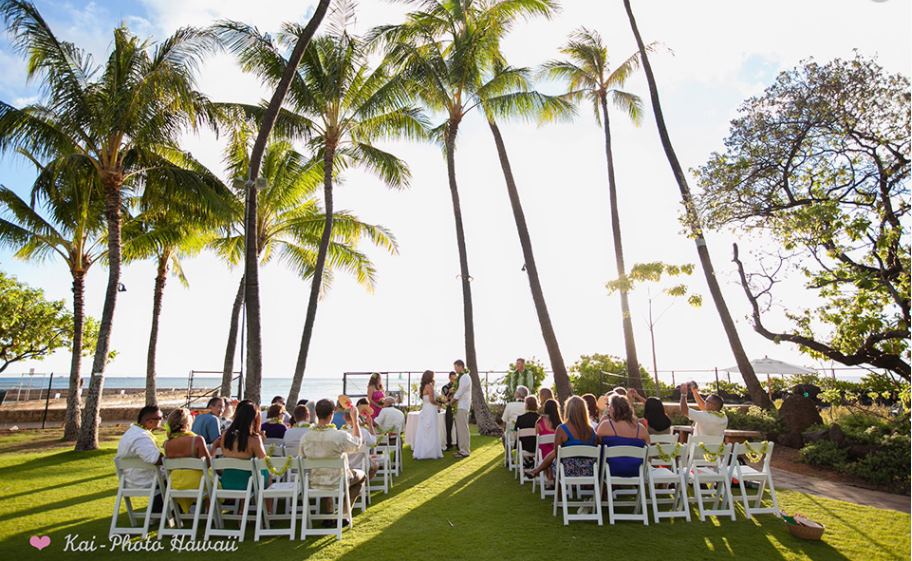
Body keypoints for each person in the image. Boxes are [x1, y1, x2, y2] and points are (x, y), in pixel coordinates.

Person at [298, 399, 366, 526]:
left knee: (324, 473)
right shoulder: (339, 435)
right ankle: (344, 514)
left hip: (314, 482)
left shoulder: (306, 437)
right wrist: (355, 421)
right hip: (337, 482)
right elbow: (357, 444)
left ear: (316, 414)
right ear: (331, 414)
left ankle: (329, 515)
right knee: (361, 476)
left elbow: (301, 458)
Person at [529, 396, 598, 480]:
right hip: (589, 472)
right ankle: (537, 470)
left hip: (567, 472)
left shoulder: (562, 429)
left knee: (556, 455)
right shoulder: (591, 431)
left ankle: (540, 473)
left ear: (568, 410)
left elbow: (557, 454)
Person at [115, 405, 164, 511]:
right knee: (179, 477)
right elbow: (155, 459)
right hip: (142, 481)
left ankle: (161, 511)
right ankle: (161, 512)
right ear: (149, 421)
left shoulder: (133, 432)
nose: (162, 420)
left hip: (131, 479)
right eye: (160, 418)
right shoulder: (141, 437)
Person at [211, 400, 268, 491]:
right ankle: (266, 500)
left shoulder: (225, 435)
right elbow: (263, 461)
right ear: (254, 419)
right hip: (248, 484)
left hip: (227, 482)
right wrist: (261, 440)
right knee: (266, 471)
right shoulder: (254, 439)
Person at [163, 407, 212, 512]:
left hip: (175, 483)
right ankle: (210, 514)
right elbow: (208, 464)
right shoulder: (197, 440)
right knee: (212, 480)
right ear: (187, 423)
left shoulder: (167, 444)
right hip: (196, 483)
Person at [596, 394, 650, 477]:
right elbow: (648, 448)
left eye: (609, 406)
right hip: (637, 471)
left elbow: (596, 443)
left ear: (613, 409)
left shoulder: (606, 425)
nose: (608, 409)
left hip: (610, 471)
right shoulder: (641, 429)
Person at [413, 370, 443, 460]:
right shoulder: (429, 386)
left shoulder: (423, 386)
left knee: (425, 430)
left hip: (426, 409)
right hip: (430, 409)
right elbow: (431, 400)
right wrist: (439, 403)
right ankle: (430, 452)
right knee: (431, 429)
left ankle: (423, 451)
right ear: (430, 377)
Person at [532, 399, 561, 484]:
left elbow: (537, 438)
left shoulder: (539, 422)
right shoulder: (559, 423)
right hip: (556, 452)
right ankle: (551, 478)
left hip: (543, 453)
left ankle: (549, 479)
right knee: (553, 451)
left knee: (543, 450)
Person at [450, 359, 473, 458]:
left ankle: (465, 451)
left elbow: (460, 391)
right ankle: (462, 449)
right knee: (460, 429)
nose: (455, 369)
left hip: (462, 406)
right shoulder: (461, 377)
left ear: (460, 366)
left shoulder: (464, 377)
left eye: (455, 367)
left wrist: (452, 401)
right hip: (460, 406)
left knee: (463, 429)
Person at [514, 395, 540, 467]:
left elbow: (516, 435)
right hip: (537, 445)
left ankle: (528, 462)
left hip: (523, 446)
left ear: (526, 405)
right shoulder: (540, 418)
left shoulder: (520, 418)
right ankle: (531, 462)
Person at [441, 371, 458, 450]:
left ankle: (459, 444)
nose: (453, 380)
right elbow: (444, 399)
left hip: (458, 407)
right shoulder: (445, 387)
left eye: (455, 378)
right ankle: (449, 444)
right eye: (452, 378)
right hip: (449, 407)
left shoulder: (459, 386)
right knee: (448, 426)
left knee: (458, 426)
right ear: (449, 378)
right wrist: (449, 392)